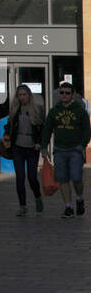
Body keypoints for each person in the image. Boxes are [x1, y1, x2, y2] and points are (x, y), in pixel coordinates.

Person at [41, 83, 91, 219]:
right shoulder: (54, 111)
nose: (64, 95)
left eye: (67, 93)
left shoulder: (80, 111)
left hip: (75, 149)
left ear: (73, 95)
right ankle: (68, 207)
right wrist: (44, 147)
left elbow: (87, 130)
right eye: (62, 93)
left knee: (76, 178)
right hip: (59, 150)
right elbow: (47, 130)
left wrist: (82, 145)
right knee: (62, 179)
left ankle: (79, 198)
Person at [5, 84, 44, 216]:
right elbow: (9, 125)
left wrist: (39, 143)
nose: (22, 97)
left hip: (32, 147)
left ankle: (37, 196)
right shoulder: (15, 110)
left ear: (29, 95)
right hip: (18, 147)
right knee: (20, 177)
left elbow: (41, 128)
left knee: (32, 177)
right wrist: (6, 135)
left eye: (24, 94)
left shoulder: (36, 110)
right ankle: (23, 206)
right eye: (20, 95)